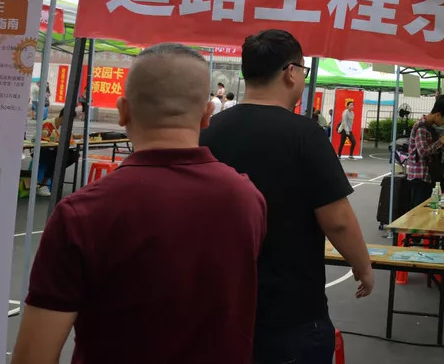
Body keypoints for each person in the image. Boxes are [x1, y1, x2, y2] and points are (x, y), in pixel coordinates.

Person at [13, 43, 267, 364]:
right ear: (206, 115)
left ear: (123, 110)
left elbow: (33, 355)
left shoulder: (81, 213)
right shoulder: (247, 199)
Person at [202, 30, 374, 364]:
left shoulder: (209, 129)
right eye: (304, 72)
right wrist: (362, 266)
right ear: (291, 72)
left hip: (221, 305)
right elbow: (337, 220)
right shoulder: (305, 135)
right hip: (290, 311)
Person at [407, 94, 444, 207]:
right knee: (419, 211)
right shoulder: (421, 127)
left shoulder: (429, 127)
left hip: (428, 177)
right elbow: (423, 151)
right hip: (419, 178)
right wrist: (440, 142)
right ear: (438, 114)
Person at [35, 107, 81, 197]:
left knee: (75, 155)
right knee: (58, 158)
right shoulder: (48, 124)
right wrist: (56, 139)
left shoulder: (65, 126)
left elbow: (72, 136)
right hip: (41, 149)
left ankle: (56, 172)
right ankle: (43, 184)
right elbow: (43, 135)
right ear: (63, 116)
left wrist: (82, 136)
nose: (70, 122)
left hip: (55, 150)